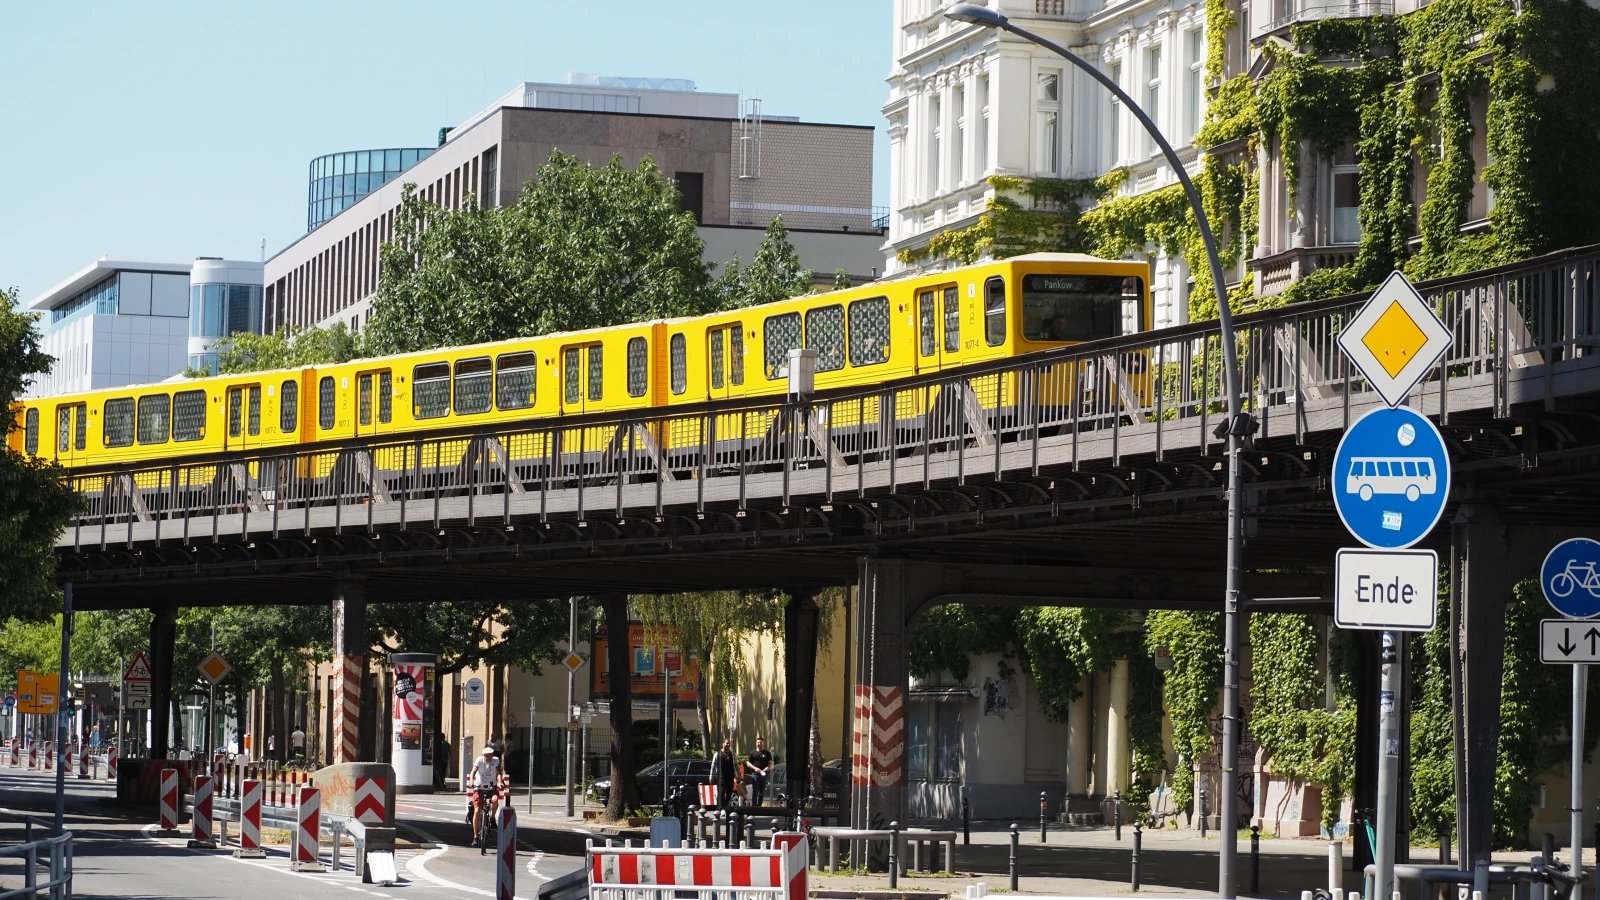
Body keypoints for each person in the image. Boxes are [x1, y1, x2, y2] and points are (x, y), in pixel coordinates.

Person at [468, 746, 501, 847]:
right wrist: (471, 780)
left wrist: (499, 782)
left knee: (495, 800)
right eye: (486, 756)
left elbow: (498, 772)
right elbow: (473, 771)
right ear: (483, 755)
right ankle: (475, 837)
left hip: (492, 787)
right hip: (479, 787)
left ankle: (492, 818)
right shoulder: (479, 760)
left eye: (490, 755)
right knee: (477, 810)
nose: (488, 758)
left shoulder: (496, 761)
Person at [708, 739, 739, 810]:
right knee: (721, 794)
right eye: (726, 743)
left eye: (729, 743)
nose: (728, 745)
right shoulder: (717, 754)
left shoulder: (733, 754)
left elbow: (736, 766)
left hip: (730, 778)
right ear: (723, 744)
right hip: (720, 778)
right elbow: (713, 766)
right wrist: (711, 777)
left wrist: (739, 776)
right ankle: (721, 808)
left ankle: (724, 807)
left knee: (729, 794)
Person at [746, 738, 773, 807]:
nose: (759, 744)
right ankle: (754, 806)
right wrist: (755, 768)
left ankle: (759, 806)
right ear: (756, 743)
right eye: (758, 742)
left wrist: (765, 769)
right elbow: (748, 763)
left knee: (761, 792)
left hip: (763, 775)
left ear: (763, 743)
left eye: (760, 742)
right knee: (755, 790)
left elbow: (770, 763)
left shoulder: (767, 753)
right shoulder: (753, 753)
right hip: (755, 774)